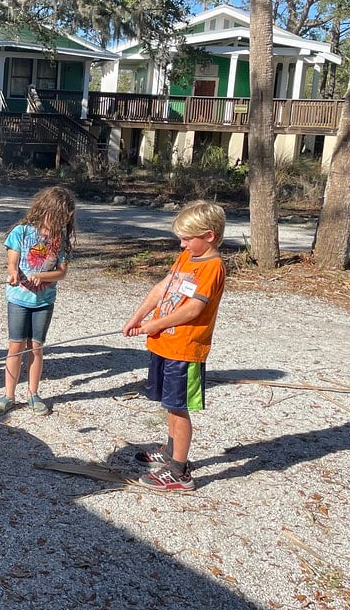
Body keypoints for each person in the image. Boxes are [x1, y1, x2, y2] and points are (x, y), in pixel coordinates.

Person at [122, 200, 227, 493]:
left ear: (209, 236)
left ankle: (180, 472)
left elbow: (194, 309)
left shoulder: (213, 267)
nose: (182, 245)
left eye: (187, 238)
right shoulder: (187, 258)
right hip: (164, 345)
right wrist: (139, 316)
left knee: (178, 408)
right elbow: (162, 288)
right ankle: (171, 451)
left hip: (185, 350)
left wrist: (158, 323)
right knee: (168, 405)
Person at [0, 186, 75, 418]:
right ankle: (8, 395)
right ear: (44, 210)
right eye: (56, 217)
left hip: (44, 301)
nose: (58, 223)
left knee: (36, 347)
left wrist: (43, 276)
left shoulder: (61, 239)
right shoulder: (21, 232)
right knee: (15, 346)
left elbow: (61, 272)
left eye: (63, 219)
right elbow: (12, 263)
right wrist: (14, 273)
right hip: (18, 299)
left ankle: (33, 393)